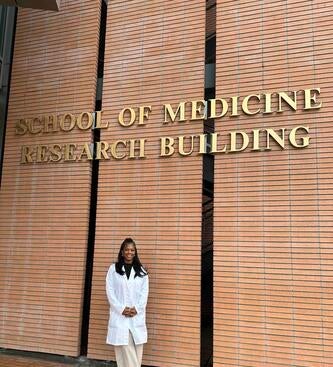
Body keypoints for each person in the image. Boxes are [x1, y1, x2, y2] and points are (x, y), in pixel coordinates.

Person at [106, 238, 149, 367]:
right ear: (122, 252)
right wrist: (121, 309)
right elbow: (110, 291)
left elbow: (144, 293)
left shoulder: (142, 271)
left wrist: (137, 309)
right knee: (123, 349)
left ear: (135, 252)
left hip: (136, 316)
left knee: (137, 350)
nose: (129, 252)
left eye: (132, 250)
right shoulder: (113, 269)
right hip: (120, 315)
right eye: (127, 249)